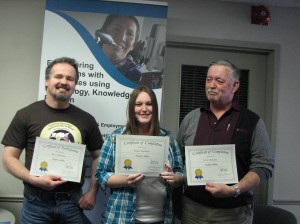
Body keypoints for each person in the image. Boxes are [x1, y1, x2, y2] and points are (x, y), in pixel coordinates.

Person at [1, 57, 104, 224]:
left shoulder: (86, 119)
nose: (64, 82)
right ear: (47, 81)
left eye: (70, 79)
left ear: (74, 85)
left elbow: (99, 156)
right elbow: (8, 158)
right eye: (58, 76)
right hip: (36, 203)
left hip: (72, 203)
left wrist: (92, 191)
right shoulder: (26, 115)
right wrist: (34, 179)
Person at [177, 60, 274, 224]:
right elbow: (179, 159)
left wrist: (234, 190)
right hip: (193, 210)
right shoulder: (191, 118)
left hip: (233, 213)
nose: (211, 85)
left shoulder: (252, 121)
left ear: (235, 86)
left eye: (219, 81)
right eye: (209, 80)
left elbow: (264, 166)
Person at [96, 85, 184, 223]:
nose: (144, 109)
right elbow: (101, 174)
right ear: (132, 108)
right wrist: (126, 181)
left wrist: (175, 178)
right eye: (138, 104)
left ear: (155, 108)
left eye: (149, 104)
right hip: (123, 216)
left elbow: (180, 173)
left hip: (161, 218)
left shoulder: (168, 139)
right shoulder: (115, 138)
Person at [95, 14, 143, 84]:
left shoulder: (137, 77)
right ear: (103, 32)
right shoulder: (84, 59)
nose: (122, 38)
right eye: (116, 29)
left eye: (129, 34)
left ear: (133, 45)